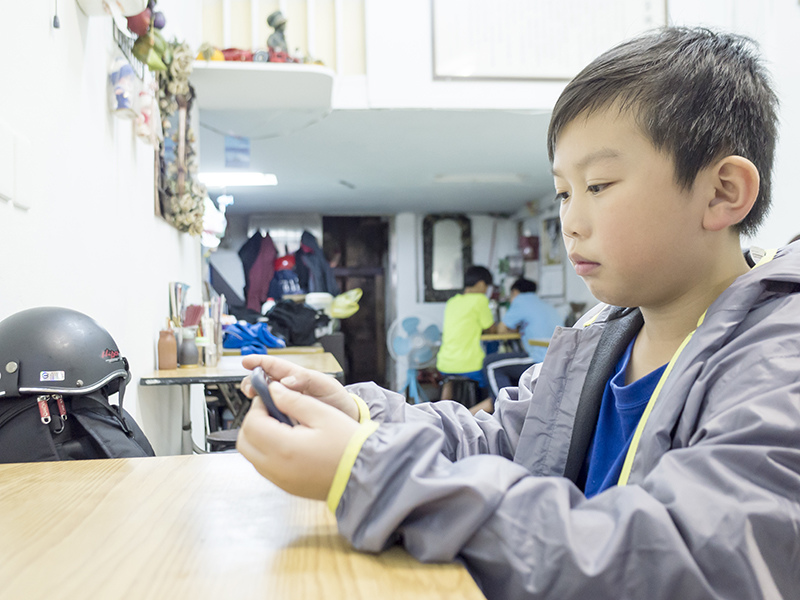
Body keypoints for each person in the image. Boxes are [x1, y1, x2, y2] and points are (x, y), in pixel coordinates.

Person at [235, 27, 800, 599]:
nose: (571, 222)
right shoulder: (600, 334)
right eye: (563, 192)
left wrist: (373, 474)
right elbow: (505, 444)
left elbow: (684, 561)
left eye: (599, 185)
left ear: (723, 192)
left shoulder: (778, 365)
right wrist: (361, 419)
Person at [482, 277, 562, 401]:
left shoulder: (520, 300)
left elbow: (501, 329)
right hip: (558, 360)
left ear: (515, 292)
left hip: (539, 358)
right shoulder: (545, 304)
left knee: (491, 364)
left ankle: (506, 408)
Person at [434, 265, 496, 400]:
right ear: (480, 284)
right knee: (494, 378)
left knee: (449, 380)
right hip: (470, 365)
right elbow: (490, 328)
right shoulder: (480, 300)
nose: (486, 291)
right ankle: (478, 414)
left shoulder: (452, 302)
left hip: (444, 363)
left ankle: (443, 413)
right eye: (486, 287)